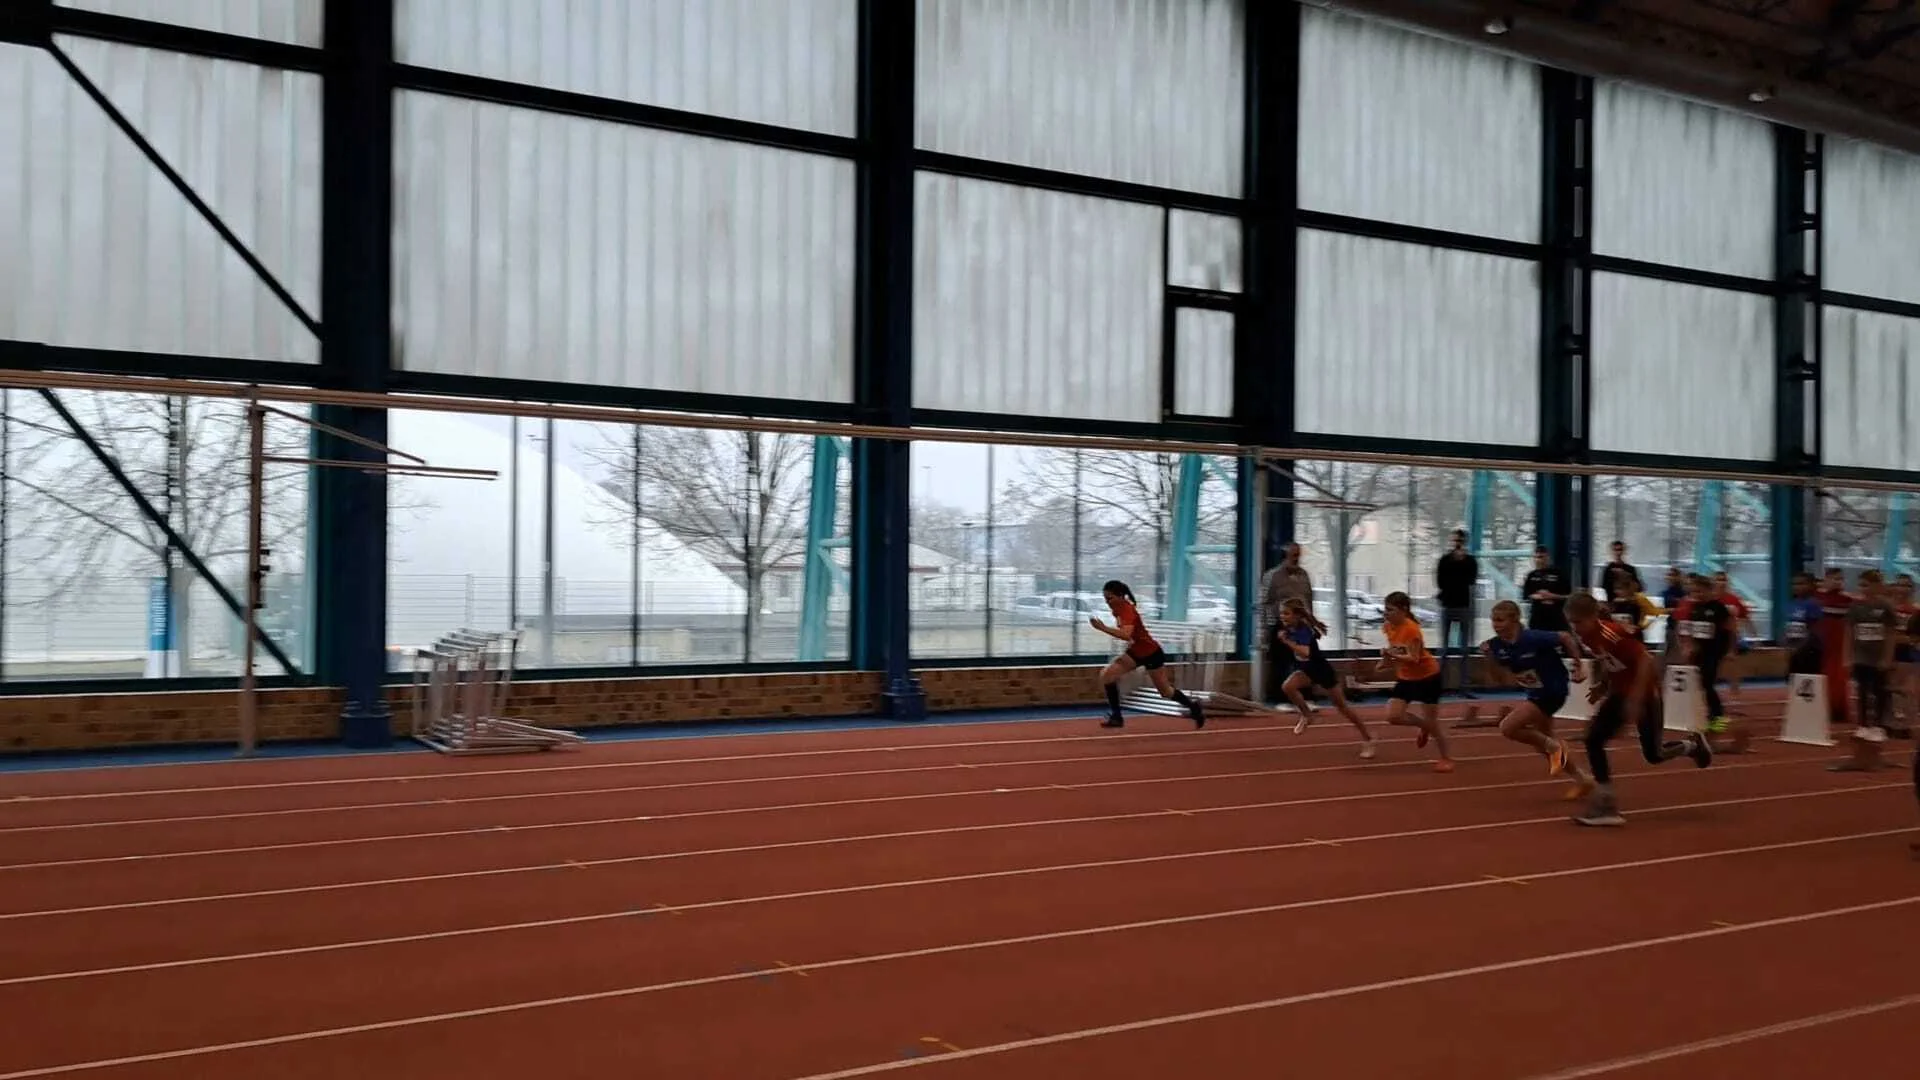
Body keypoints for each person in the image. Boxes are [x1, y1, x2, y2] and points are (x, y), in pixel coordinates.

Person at [1563, 593, 1713, 827]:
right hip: (1620, 693)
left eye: (1578, 622)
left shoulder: (1612, 633)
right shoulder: (1588, 636)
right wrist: (1603, 685)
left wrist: (1635, 698)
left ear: (1593, 617)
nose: (1575, 628)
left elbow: (1645, 661)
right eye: (1571, 622)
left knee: (1654, 755)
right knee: (1593, 739)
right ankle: (1606, 803)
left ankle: (1692, 746)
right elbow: (1609, 660)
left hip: (1645, 694)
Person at [1480, 599, 1593, 797]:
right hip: (1534, 692)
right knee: (1541, 744)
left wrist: (1578, 665)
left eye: (1500, 620)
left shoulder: (1533, 637)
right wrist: (1488, 657)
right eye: (1493, 620)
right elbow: (1498, 681)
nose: (1496, 625)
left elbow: (1565, 637)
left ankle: (1554, 747)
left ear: (1515, 620)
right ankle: (1583, 779)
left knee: (1508, 727)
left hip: (1553, 690)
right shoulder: (1496, 646)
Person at [1090, 579, 1204, 730]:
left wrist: (1103, 628)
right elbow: (1130, 635)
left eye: (1110, 598)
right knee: (1107, 675)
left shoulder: (1126, 610)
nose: (1107, 602)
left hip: (1151, 653)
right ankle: (1116, 717)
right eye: (1105, 599)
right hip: (1136, 652)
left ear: (1120, 596)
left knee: (1165, 691)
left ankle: (1193, 707)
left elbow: (1125, 634)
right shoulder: (1117, 609)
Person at [1278, 599, 1376, 758]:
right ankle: (1307, 715)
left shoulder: (1304, 630)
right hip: (1306, 670)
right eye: (1281, 613)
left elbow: (1305, 652)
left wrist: (1287, 641)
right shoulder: (1289, 628)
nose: (1282, 616)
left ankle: (1368, 738)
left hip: (1321, 671)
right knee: (1288, 686)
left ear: (1296, 615)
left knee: (1342, 707)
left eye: (1286, 613)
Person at [1375, 591, 1455, 773]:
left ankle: (1446, 757)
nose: (1386, 613)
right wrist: (1385, 661)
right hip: (1406, 678)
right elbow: (1396, 649)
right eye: (1385, 609)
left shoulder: (1412, 629)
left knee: (1432, 722)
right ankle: (1423, 726)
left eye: (1390, 610)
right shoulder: (1388, 627)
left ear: (1403, 610)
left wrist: (1391, 655)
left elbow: (1414, 658)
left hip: (1428, 677)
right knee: (1393, 716)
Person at [1676, 573, 1737, 739]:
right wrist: (1688, 647)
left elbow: (1731, 629)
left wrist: (1731, 650)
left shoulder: (1718, 608)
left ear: (1709, 590)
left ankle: (1718, 716)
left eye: (1699, 591)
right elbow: (1691, 631)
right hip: (1699, 652)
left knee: (1707, 682)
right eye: (1693, 592)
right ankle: (1709, 713)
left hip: (1715, 651)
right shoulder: (1696, 608)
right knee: (1700, 684)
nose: (1696, 595)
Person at [1845, 569, 1899, 741]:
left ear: (1877, 586)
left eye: (1867, 585)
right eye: (1861, 585)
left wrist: (1887, 657)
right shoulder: (1855, 607)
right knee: (1862, 691)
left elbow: (1891, 634)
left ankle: (1878, 726)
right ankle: (1862, 724)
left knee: (1879, 691)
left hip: (1878, 657)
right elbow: (1849, 632)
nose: (1863, 589)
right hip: (1861, 656)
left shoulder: (1885, 607)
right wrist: (1848, 657)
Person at [1435, 530, 1480, 697]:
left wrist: (1462, 563)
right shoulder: (1445, 560)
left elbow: (1471, 580)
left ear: (1464, 542)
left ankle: (1464, 687)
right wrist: (1455, 564)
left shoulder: (1470, 561)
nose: (1457, 543)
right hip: (1447, 605)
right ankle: (1439, 686)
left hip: (1464, 606)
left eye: (1460, 540)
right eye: (1455, 540)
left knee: (1465, 649)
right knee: (1444, 648)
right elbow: (1440, 581)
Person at [1816, 568, 1856, 730]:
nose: (1837, 582)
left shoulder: (1848, 600)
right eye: (1834, 578)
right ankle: (1821, 708)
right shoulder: (1817, 599)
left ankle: (1838, 710)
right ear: (1826, 579)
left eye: (1840, 579)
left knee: (1839, 678)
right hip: (1821, 642)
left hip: (1839, 645)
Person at [1711, 571, 1754, 710]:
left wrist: (1754, 635)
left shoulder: (1733, 599)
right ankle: (1710, 692)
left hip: (1730, 636)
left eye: (1723, 580)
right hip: (1713, 636)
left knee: (1732, 664)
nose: (1721, 582)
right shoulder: (1710, 599)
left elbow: (1745, 617)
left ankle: (1734, 695)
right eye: (1718, 580)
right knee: (1713, 666)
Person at [1521, 546, 1570, 632]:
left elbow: (1569, 596)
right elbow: (1526, 595)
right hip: (1537, 618)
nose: (1538, 560)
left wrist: (1552, 596)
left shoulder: (1559, 574)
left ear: (1547, 558)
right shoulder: (1531, 575)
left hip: (1556, 618)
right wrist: (1538, 597)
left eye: (1541, 557)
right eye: (1536, 557)